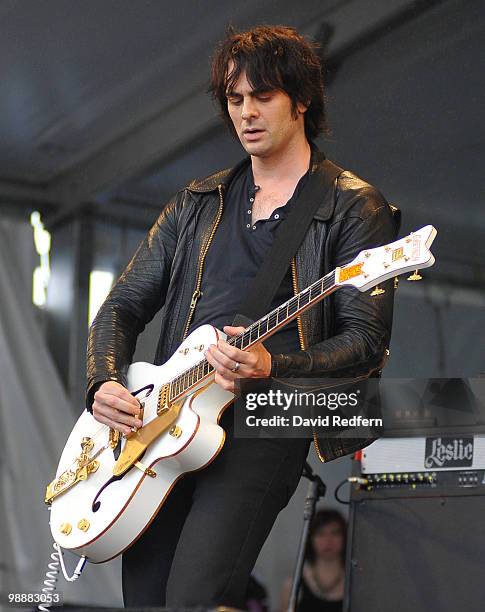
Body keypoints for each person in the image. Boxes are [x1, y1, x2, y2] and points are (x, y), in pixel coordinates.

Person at [86, 25, 399, 608]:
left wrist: (270, 362)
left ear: (301, 99)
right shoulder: (196, 202)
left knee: (194, 598)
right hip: (166, 421)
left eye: (263, 97)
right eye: (235, 100)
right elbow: (122, 304)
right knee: (146, 600)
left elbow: (365, 341)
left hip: (264, 424)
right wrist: (104, 378)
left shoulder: (353, 206)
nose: (246, 113)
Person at [280, 509, 347, 612]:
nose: (328, 540)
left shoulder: (356, 584)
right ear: (310, 539)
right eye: (320, 534)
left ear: (345, 537)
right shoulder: (293, 586)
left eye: (335, 533)